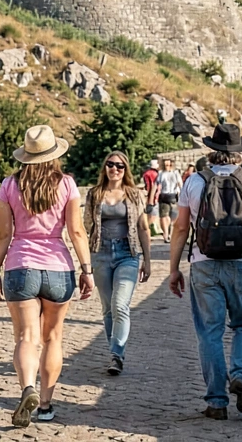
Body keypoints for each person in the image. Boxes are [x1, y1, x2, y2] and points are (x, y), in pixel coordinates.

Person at [169, 124, 242, 420]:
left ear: (212, 151)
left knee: (210, 332)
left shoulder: (194, 181)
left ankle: (217, 402)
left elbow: (181, 228)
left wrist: (174, 269)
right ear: (239, 153)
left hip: (203, 263)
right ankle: (240, 374)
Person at [0, 125, 94, 427]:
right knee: (52, 338)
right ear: (54, 154)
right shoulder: (68, 185)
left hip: (20, 267)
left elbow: (3, 233)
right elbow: (76, 231)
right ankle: (46, 405)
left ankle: (27, 389)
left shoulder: (10, 185)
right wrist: (86, 270)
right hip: (59, 269)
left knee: (26, 337)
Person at [82, 151, 152, 375]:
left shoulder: (133, 194)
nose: (114, 169)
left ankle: (117, 354)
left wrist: (147, 261)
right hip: (101, 254)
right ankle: (114, 352)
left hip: (127, 254)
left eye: (119, 166)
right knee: (107, 308)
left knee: (120, 304)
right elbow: (86, 227)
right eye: (110, 165)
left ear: (125, 170)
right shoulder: (94, 194)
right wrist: (85, 262)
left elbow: (143, 227)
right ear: (105, 168)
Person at [156, 159, 183, 242]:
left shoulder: (175, 173)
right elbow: (157, 184)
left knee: (173, 216)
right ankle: (166, 234)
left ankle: (171, 233)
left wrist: (182, 194)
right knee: (164, 216)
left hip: (173, 195)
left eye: (169, 165)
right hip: (164, 195)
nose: (167, 167)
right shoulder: (161, 173)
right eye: (166, 165)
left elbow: (180, 184)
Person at [141, 159, 161, 238]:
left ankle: (147, 229)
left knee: (149, 214)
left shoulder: (146, 173)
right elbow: (151, 187)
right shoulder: (155, 174)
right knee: (153, 215)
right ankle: (146, 229)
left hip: (149, 196)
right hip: (153, 197)